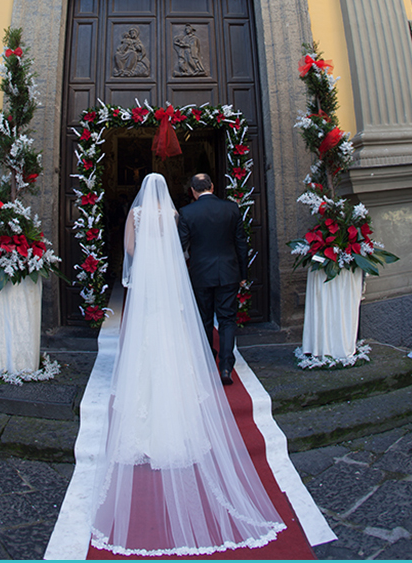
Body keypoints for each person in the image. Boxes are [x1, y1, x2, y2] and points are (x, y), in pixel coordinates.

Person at [90, 173, 285, 557]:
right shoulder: (176, 213)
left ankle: (149, 405)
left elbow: (129, 249)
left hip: (150, 283)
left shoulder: (141, 214)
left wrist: (143, 263)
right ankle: (222, 366)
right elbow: (182, 250)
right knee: (200, 327)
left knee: (148, 337)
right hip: (190, 279)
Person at [178, 173, 248, 385]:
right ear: (213, 186)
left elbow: (180, 245)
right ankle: (226, 366)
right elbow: (241, 244)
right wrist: (243, 275)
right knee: (227, 319)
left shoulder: (187, 212)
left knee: (204, 318)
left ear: (192, 190)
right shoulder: (231, 208)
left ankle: (208, 359)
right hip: (228, 272)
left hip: (201, 273)